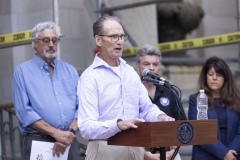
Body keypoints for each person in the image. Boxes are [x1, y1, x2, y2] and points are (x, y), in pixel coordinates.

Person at [77, 15, 175, 160]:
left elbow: (146, 108)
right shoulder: (90, 77)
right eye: (113, 37)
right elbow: (86, 127)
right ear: (98, 40)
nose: (120, 42)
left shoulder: (130, 72)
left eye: (122, 36)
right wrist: (118, 125)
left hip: (135, 149)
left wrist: (160, 116)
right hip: (105, 150)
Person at [12, 21, 80, 160]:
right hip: (39, 142)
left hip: (69, 141)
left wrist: (69, 133)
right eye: (46, 40)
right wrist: (56, 133)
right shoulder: (22, 71)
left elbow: (83, 106)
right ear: (35, 43)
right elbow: (24, 112)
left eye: (54, 40)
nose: (51, 44)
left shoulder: (70, 70)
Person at [136, 45, 185, 160]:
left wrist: (172, 151)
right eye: (146, 64)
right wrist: (144, 154)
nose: (151, 68)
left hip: (169, 151)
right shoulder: (131, 91)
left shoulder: (170, 91)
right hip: (138, 152)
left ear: (160, 67)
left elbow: (181, 123)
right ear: (137, 65)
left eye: (155, 64)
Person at [188, 56, 240, 160]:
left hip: (234, 155)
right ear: (205, 77)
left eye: (219, 75)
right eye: (211, 74)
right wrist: (224, 153)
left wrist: (231, 155)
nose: (214, 78)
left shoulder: (237, 99)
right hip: (206, 156)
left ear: (225, 78)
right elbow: (199, 132)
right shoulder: (196, 100)